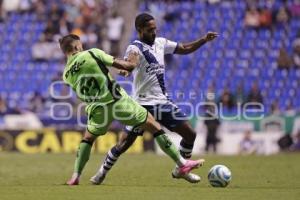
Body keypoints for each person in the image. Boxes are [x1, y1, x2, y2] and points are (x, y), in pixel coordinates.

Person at [59, 34, 204, 185]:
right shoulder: (91, 53)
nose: (82, 47)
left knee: (87, 139)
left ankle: (76, 175)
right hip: (117, 101)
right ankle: (182, 163)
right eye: (80, 45)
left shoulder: (66, 74)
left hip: (96, 109)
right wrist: (133, 63)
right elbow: (125, 66)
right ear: (76, 46)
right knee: (153, 125)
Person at [90, 13, 218, 184]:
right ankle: (101, 173)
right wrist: (127, 69)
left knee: (190, 134)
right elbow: (131, 62)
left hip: (162, 102)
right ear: (140, 30)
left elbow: (184, 48)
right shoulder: (134, 48)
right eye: (150, 30)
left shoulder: (161, 43)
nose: (154, 32)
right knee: (123, 144)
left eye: (155, 28)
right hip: (141, 105)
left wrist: (203, 40)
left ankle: (181, 170)